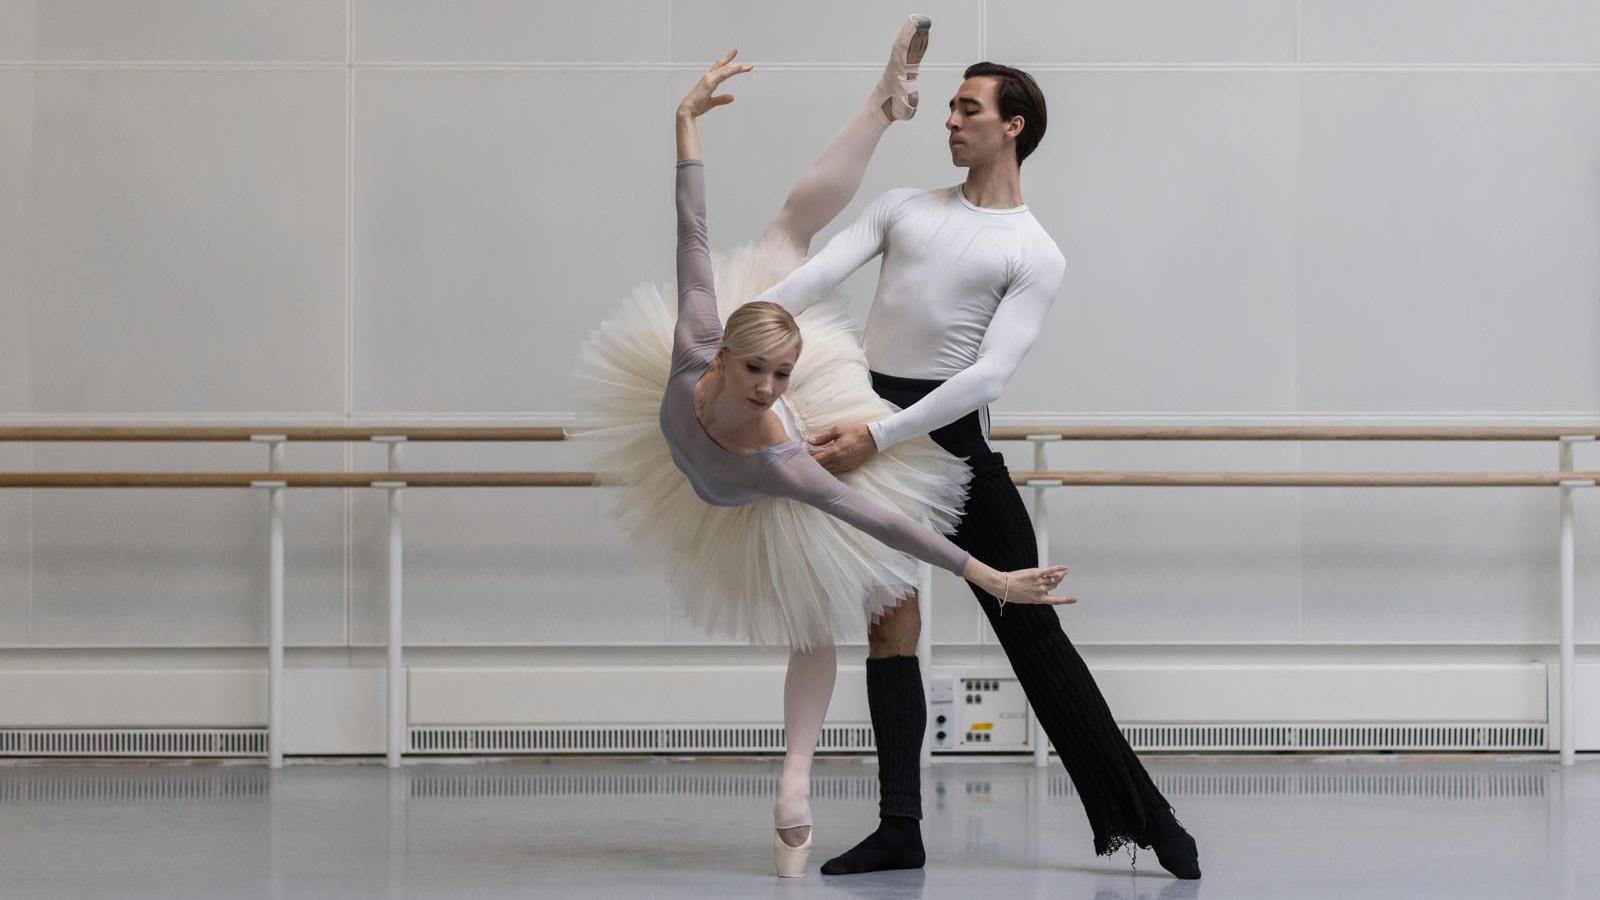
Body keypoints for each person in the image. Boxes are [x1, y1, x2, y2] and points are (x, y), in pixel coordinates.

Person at [576, 21, 1072, 878]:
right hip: (740, 460)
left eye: (781, 377)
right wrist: (685, 123)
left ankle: (795, 786)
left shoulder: (745, 397)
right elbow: (692, 229)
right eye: (762, 373)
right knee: (783, 243)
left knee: (785, 236)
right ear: (729, 360)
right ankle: (882, 106)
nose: (772, 389)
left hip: (734, 461)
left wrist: (688, 121)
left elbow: (880, 517)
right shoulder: (733, 384)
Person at [753, 62, 1203, 879]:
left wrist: (882, 437)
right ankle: (900, 828)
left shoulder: (1035, 250)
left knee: (1033, 630)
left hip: (944, 439)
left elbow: (988, 376)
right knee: (890, 632)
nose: (951, 122)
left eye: (969, 110)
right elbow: (817, 276)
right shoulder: (903, 208)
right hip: (868, 421)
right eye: (952, 108)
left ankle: (1149, 818)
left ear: (1013, 126)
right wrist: (745, 327)